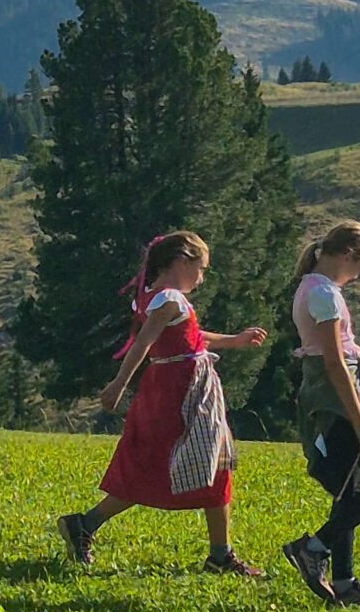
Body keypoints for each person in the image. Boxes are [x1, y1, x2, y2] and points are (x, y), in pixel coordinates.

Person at [56, 230, 268, 576]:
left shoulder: (156, 297)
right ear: (182, 261)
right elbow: (141, 344)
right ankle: (86, 524)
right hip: (179, 394)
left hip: (180, 390)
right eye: (201, 269)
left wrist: (235, 340)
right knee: (180, 464)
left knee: (199, 465)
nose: (202, 278)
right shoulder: (169, 299)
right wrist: (118, 384)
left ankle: (219, 553)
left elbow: (192, 337)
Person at [281, 220, 360, 609]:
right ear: (347, 256)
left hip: (334, 392)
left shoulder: (313, 289)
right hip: (337, 395)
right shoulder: (324, 295)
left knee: (347, 491)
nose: (356, 277)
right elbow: (334, 364)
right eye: (359, 269)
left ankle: (345, 584)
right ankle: (313, 548)